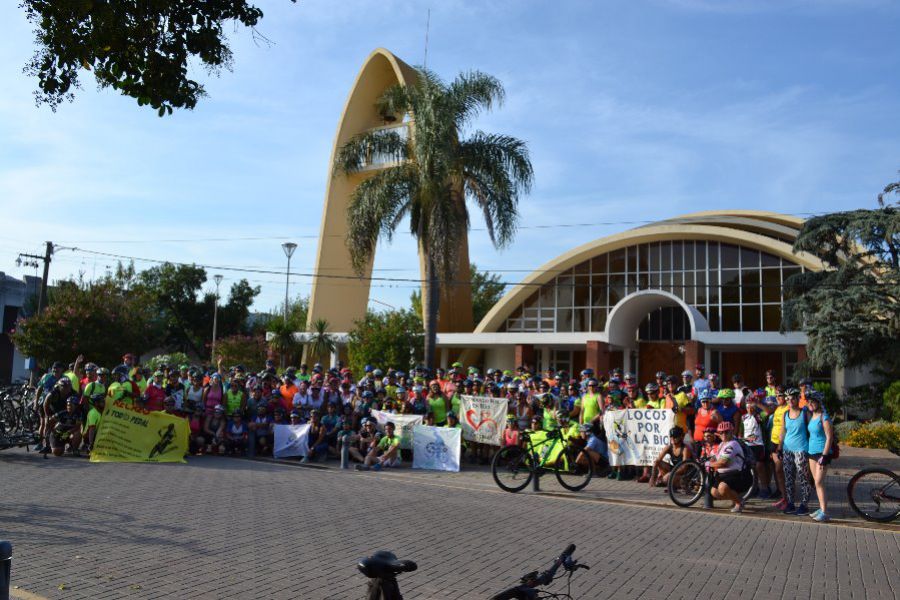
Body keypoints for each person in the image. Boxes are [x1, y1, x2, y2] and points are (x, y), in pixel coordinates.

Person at [778, 389, 810, 515]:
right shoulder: (785, 414)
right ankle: (791, 503)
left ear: (797, 398)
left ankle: (804, 505)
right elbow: (782, 431)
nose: (789, 401)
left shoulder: (804, 413)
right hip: (787, 450)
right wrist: (779, 447)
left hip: (801, 450)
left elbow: (812, 430)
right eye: (787, 399)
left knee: (803, 478)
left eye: (792, 398)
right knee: (789, 478)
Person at [709, 421, 751, 512]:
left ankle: (739, 503)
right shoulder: (721, 444)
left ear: (731, 432)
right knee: (714, 492)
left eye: (726, 432)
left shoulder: (733, 444)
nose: (724, 434)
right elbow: (715, 458)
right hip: (724, 475)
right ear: (718, 434)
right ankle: (735, 497)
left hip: (739, 475)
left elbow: (723, 463)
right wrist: (710, 460)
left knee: (722, 488)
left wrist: (709, 464)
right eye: (721, 432)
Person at [805, 392, 834, 522]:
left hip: (822, 453)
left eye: (812, 401)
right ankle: (821, 508)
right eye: (808, 402)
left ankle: (825, 512)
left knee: (819, 482)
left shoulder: (824, 417)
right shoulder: (812, 416)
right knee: (816, 483)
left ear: (818, 402)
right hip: (811, 452)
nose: (809, 404)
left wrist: (824, 455)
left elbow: (829, 437)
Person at [739, 396, 769, 497]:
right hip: (747, 445)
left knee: (759, 466)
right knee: (750, 468)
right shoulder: (743, 417)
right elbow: (741, 432)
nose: (750, 409)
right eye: (748, 407)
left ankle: (765, 488)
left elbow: (768, 412)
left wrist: (757, 403)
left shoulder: (759, 416)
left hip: (758, 445)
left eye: (751, 407)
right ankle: (753, 488)